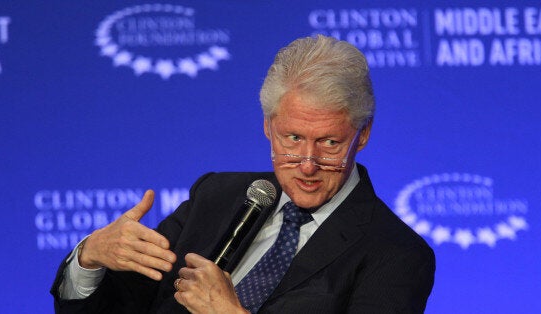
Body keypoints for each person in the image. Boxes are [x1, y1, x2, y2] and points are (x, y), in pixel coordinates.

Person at [51, 34, 435, 313]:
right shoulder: (216, 195)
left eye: (329, 143)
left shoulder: (395, 253)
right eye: (293, 137)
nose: (306, 163)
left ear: (362, 135)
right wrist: (90, 258)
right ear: (268, 126)